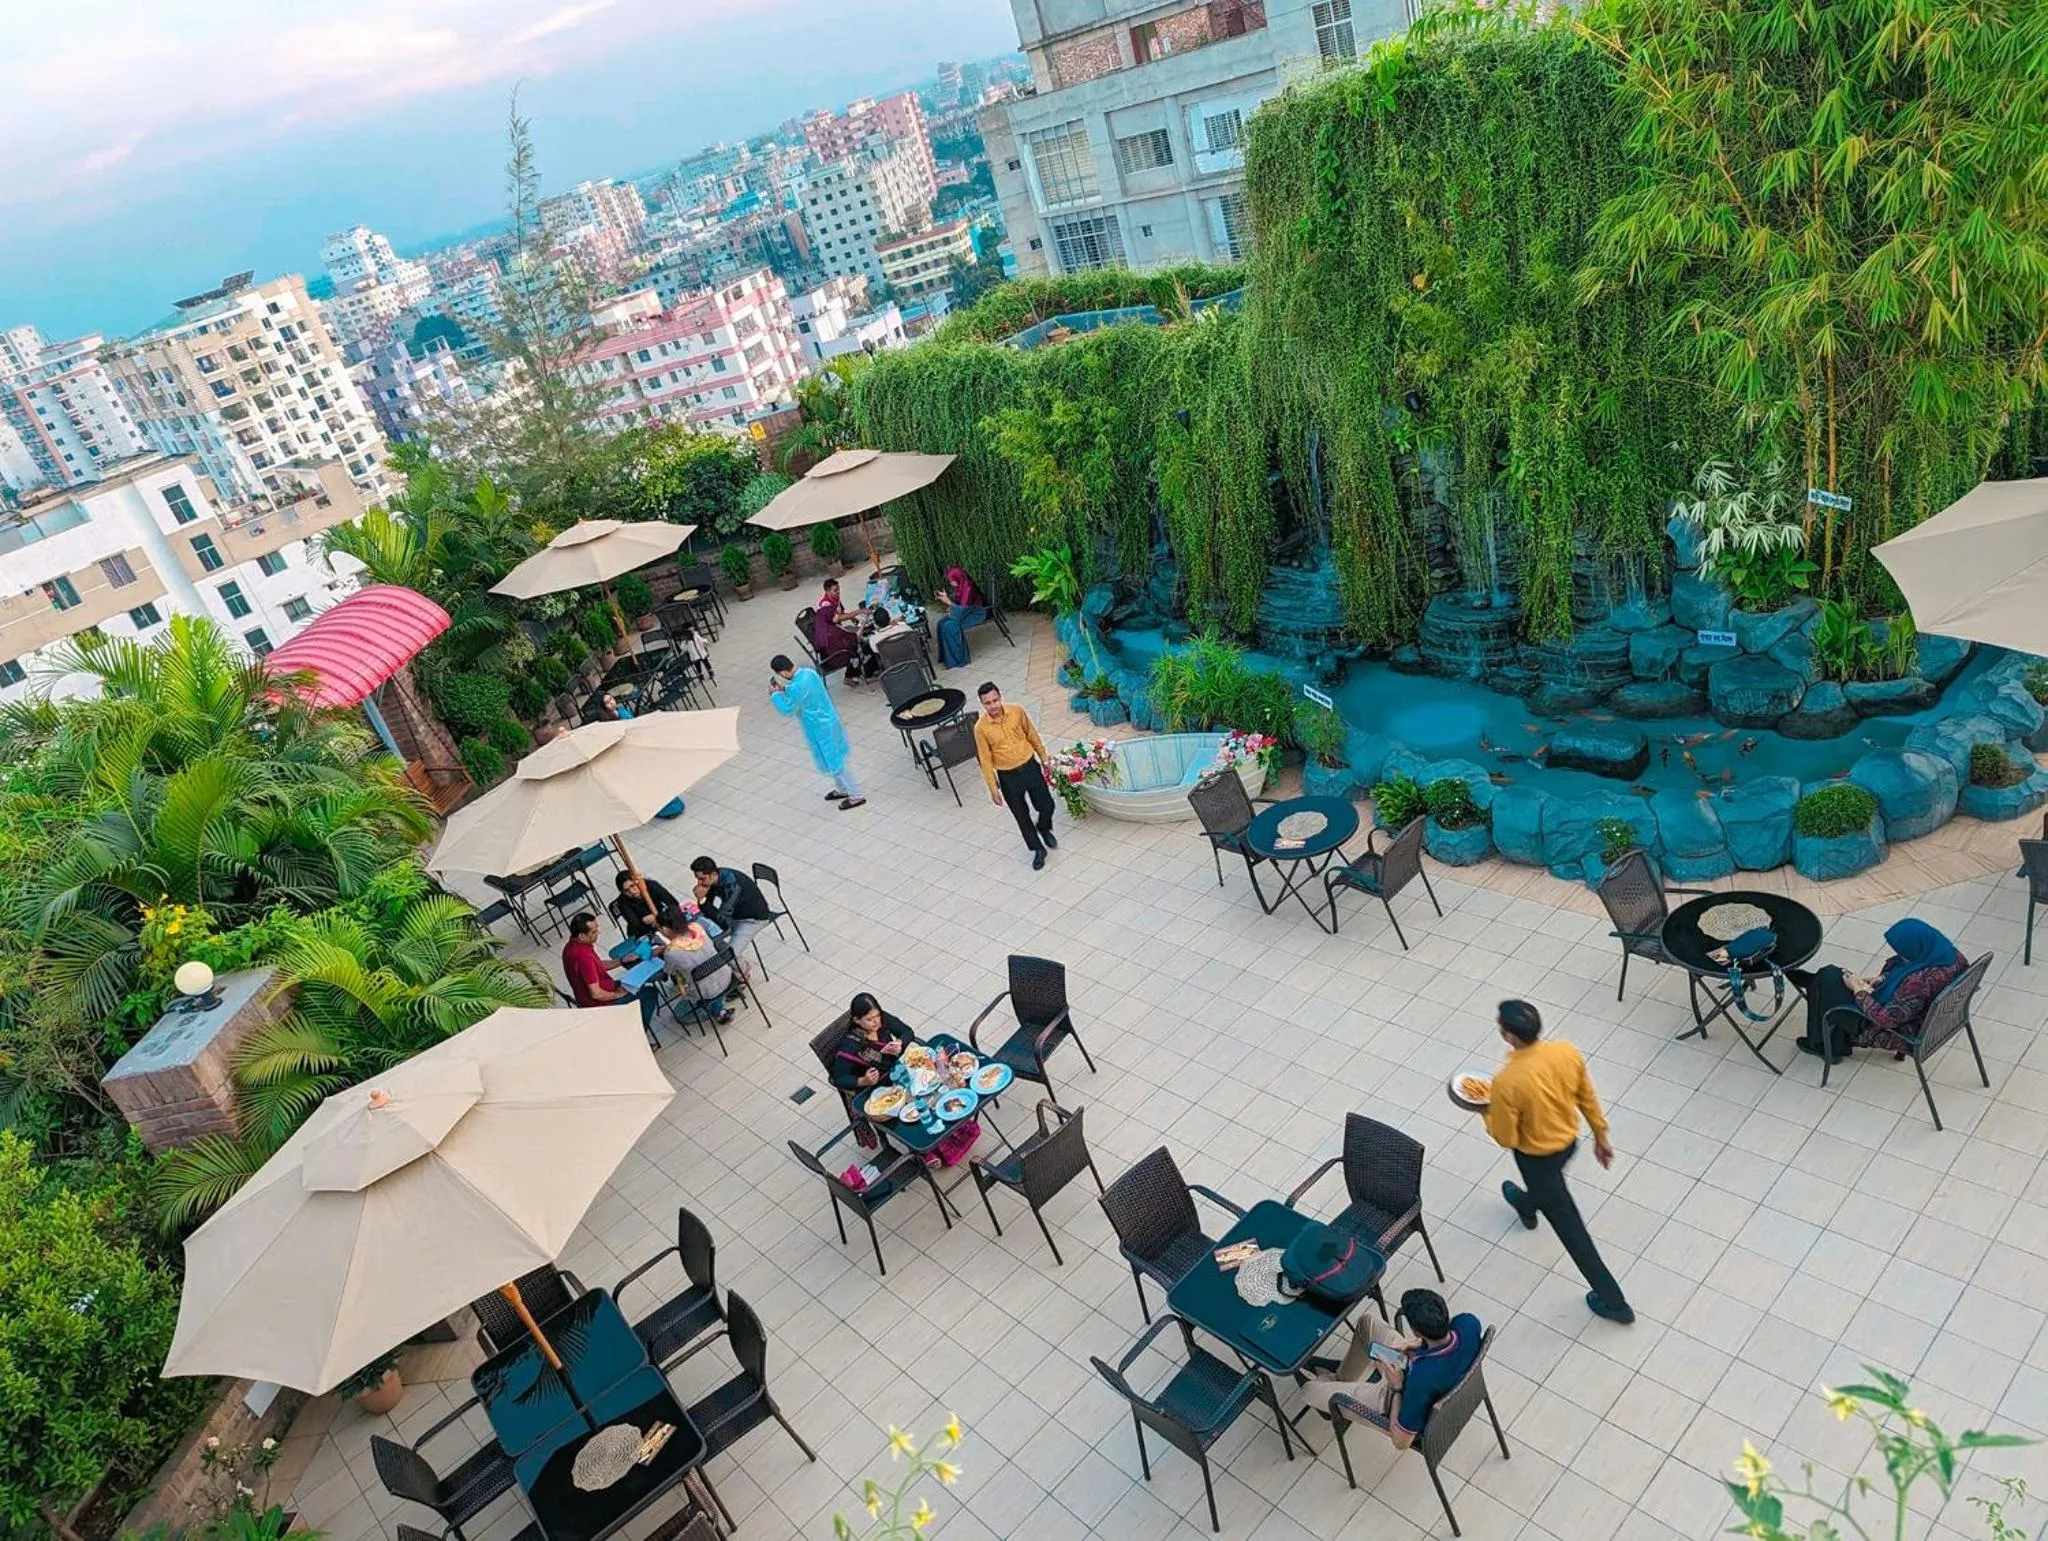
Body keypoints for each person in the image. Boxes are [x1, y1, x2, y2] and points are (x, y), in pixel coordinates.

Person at [1483, 1000, 1634, 1324]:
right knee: (1543, 1194)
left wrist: (1486, 1110)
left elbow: (1505, 1137)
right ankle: (1525, 1203)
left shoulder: (1507, 1081)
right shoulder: (1566, 1052)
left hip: (1536, 1159)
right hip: (1567, 1145)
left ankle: (1614, 1302)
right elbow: (1587, 1097)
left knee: (1571, 1229)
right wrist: (1601, 1136)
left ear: (1509, 1035)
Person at [1304, 1289, 1484, 1449]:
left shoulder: (1421, 1380)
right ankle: (1340, 1378)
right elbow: (1440, 1339)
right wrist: (1415, 1345)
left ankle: (1330, 1387)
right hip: (1423, 1366)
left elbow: (1401, 1442)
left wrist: (1397, 1388)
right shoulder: (1469, 1322)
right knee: (1367, 1322)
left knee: (1308, 1390)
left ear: (1416, 1330)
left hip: (1397, 1396)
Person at [1787, 919, 1968, 1060]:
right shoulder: (1951, 956)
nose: (1901, 955)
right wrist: (1883, 979)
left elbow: (1886, 1020)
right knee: (1831, 979)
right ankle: (1815, 983)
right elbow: (1907, 977)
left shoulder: (1916, 983)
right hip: (1925, 1016)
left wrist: (1859, 991)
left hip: (1897, 1029)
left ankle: (1823, 1045)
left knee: (1829, 978)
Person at [973, 681, 1057, 869]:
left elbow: (1032, 734)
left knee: (1047, 805)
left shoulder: (1017, 712)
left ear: (1000, 697)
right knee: (1021, 815)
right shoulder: (981, 729)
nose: (993, 706)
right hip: (1008, 777)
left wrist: (1044, 757)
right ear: (982, 704)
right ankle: (1038, 849)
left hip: (1029, 767)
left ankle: (1044, 827)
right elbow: (985, 760)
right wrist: (993, 788)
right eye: (988, 703)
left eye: (995, 700)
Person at [768, 654, 865, 810]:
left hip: (820, 728)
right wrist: (784, 689)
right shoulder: (809, 673)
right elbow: (800, 692)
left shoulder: (797, 687)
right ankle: (842, 788)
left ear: (783, 673)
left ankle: (856, 794)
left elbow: (788, 709)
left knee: (835, 761)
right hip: (829, 721)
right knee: (832, 758)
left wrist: (775, 695)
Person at [561, 911, 663, 1050]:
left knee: (638, 983)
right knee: (650, 993)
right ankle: (636, 1036)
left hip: (601, 992)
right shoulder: (582, 955)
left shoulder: (572, 947)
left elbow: (596, 965)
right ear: (582, 935)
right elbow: (596, 993)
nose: (598, 933)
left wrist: (621, 961)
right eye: (594, 931)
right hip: (602, 1002)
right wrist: (618, 995)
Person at [651, 912, 735, 1025]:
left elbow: (668, 971)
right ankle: (720, 1010)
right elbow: (689, 945)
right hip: (727, 976)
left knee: (679, 1015)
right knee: (708, 980)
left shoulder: (671, 952)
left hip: (706, 992)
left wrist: (664, 951)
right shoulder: (697, 928)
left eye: (659, 929)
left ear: (665, 929)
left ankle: (714, 1011)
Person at [690, 856, 775, 963]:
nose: (699, 883)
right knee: (708, 939)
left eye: (702, 879)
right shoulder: (716, 877)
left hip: (752, 920)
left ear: (713, 874)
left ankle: (743, 974)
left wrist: (702, 899)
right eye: (697, 879)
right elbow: (709, 908)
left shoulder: (731, 887)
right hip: (736, 915)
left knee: (730, 957)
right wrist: (704, 901)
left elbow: (722, 919)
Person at [829, 992, 913, 1089]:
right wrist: (863, 1081)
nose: (876, 1022)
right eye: (869, 1019)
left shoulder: (882, 1019)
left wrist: (900, 1043)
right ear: (857, 1020)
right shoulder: (851, 1045)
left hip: (899, 1068)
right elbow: (838, 1079)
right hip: (879, 1084)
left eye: (877, 1015)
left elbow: (907, 1032)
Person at [811, 578, 870, 683]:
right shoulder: (825, 606)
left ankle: (853, 673)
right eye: (835, 590)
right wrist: (859, 612)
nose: (838, 592)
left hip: (834, 631)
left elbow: (842, 614)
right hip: (831, 643)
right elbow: (839, 618)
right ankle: (853, 674)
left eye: (838, 589)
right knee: (855, 645)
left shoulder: (834, 599)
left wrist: (853, 618)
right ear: (827, 591)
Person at [936, 567, 989, 671]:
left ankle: (959, 660)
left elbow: (963, 608)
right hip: (967, 611)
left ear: (958, 578)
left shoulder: (968, 587)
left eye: (952, 581)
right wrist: (950, 604)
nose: (951, 583)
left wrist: (948, 602)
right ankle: (947, 657)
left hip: (977, 613)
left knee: (950, 626)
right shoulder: (961, 585)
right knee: (941, 623)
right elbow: (960, 604)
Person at [613, 869, 683, 940]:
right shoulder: (622, 902)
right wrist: (645, 921)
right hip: (644, 931)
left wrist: (659, 917)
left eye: (632, 885)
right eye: (626, 891)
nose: (632, 892)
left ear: (637, 881)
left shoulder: (651, 885)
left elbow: (673, 903)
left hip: (663, 918)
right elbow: (635, 924)